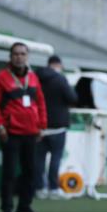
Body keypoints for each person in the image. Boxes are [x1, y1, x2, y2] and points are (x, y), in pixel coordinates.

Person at [0, 42, 46, 212]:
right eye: (15, 54)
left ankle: (25, 206)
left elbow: (41, 102)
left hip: (31, 133)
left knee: (30, 172)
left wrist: (42, 126)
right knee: (10, 172)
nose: (19, 57)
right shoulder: (1, 78)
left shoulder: (34, 78)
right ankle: (7, 208)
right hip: (11, 133)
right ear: (10, 57)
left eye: (22, 54)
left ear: (27, 57)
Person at [35, 54, 78, 199]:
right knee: (55, 159)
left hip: (39, 126)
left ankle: (39, 188)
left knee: (39, 159)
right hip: (58, 127)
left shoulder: (36, 78)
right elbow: (72, 98)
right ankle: (53, 189)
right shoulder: (60, 79)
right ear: (58, 65)